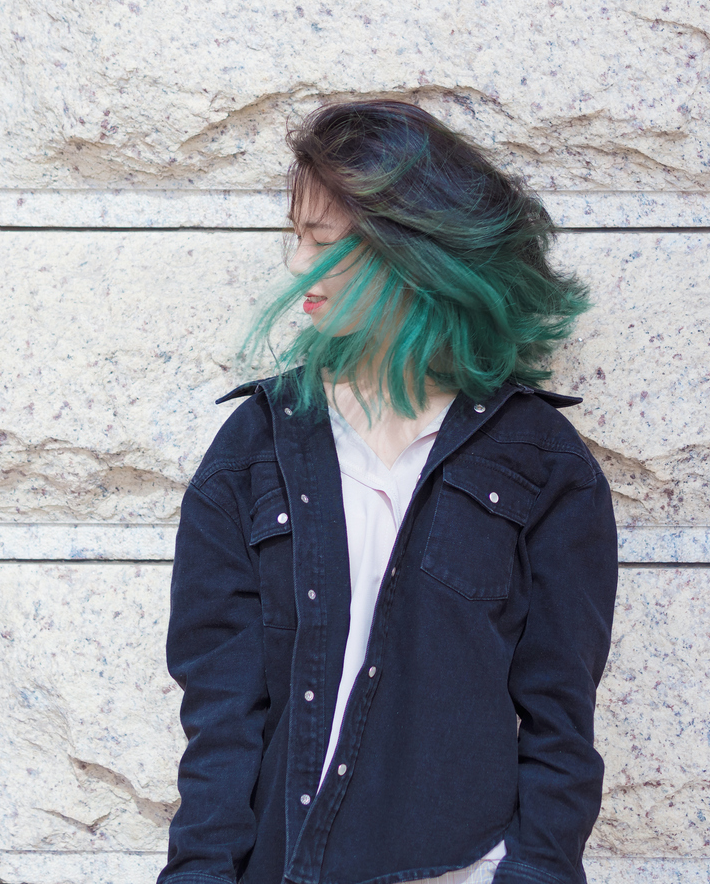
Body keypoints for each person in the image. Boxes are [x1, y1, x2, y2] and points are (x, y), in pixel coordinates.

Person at [158, 100, 618, 884]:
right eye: (295, 236)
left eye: (323, 239)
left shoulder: (540, 462)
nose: (297, 266)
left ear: (409, 250)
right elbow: (220, 715)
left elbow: (559, 721)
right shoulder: (255, 447)